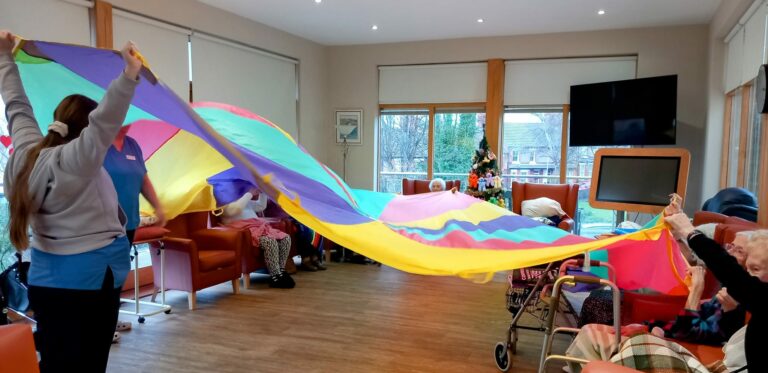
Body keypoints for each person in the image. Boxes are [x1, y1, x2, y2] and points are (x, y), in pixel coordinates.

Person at [1, 30, 141, 372]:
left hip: (49, 280)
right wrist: (129, 75)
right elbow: (105, 123)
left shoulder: (25, 153)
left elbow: (16, 105)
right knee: (88, 364)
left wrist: (4, 56)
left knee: (58, 363)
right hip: (88, 281)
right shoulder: (75, 161)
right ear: (84, 134)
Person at [667, 204, 767, 372]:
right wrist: (731, 312)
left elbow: (728, 269)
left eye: (755, 269)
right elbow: (728, 338)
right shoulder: (739, 296)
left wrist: (688, 231)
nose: (748, 275)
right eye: (747, 268)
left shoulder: (747, 291)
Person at [103, 125, 166, 341]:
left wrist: (158, 207)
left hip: (129, 223)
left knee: (118, 276)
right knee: (104, 276)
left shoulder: (132, 145)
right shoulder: (97, 144)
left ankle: (110, 319)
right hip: (102, 225)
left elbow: (143, 180)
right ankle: (103, 326)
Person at [220, 187, 295, 288]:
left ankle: (280, 271)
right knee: (270, 241)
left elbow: (260, 206)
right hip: (243, 230)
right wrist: (250, 193)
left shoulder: (242, 200)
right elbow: (235, 210)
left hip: (258, 226)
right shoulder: (222, 203)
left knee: (285, 238)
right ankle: (274, 276)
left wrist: (262, 191)